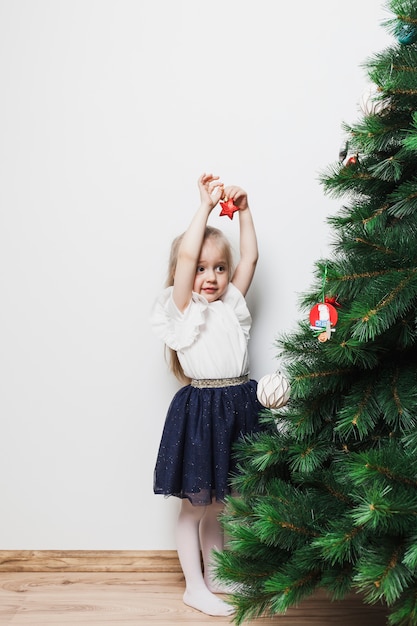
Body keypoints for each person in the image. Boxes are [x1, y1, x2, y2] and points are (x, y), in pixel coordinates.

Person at [150, 172, 264, 617]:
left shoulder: (231, 306)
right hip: (202, 411)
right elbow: (184, 257)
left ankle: (215, 574)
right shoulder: (182, 311)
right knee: (195, 505)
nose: (211, 277)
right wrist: (204, 206)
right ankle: (193, 586)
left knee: (220, 504)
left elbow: (251, 258)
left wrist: (245, 209)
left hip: (238, 406)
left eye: (218, 267)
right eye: (201, 268)